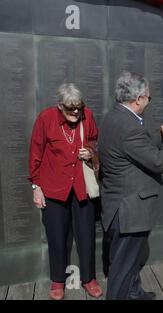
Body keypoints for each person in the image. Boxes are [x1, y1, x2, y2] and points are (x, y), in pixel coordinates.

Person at [98, 71, 163, 300]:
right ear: (138, 99)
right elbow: (158, 163)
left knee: (130, 260)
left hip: (121, 206)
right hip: (129, 210)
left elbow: (139, 147)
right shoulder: (128, 126)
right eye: (149, 97)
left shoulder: (114, 117)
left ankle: (135, 294)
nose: (149, 101)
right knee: (122, 268)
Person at [28, 83, 103, 300]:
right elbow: (35, 153)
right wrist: (36, 187)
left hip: (81, 187)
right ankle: (58, 280)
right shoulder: (46, 119)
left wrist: (89, 151)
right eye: (71, 109)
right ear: (60, 106)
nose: (76, 113)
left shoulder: (87, 115)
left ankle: (89, 279)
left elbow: (94, 140)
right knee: (56, 236)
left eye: (79, 108)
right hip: (53, 188)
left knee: (86, 234)